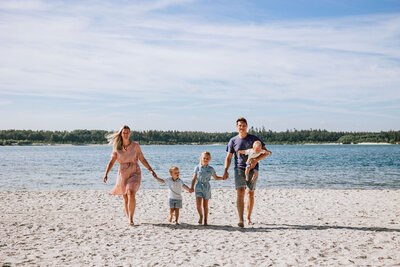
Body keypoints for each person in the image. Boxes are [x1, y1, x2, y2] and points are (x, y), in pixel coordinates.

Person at [103, 125, 157, 226]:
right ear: (121, 134)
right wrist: (106, 173)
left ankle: (131, 219)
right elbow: (112, 161)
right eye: (124, 132)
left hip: (135, 171)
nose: (126, 134)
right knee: (125, 197)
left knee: (131, 192)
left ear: (130, 133)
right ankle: (129, 218)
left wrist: (150, 169)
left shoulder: (135, 145)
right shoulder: (117, 147)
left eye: (127, 132)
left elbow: (142, 158)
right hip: (123, 173)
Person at [223, 118, 271, 227]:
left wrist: (255, 160)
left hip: (252, 169)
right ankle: (241, 219)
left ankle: (248, 218)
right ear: (237, 127)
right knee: (240, 192)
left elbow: (265, 152)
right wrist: (225, 170)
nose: (241, 127)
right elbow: (229, 157)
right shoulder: (233, 141)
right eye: (240, 125)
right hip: (239, 168)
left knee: (250, 193)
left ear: (247, 126)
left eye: (243, 125)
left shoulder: (254, 139)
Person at [190, 151, 225, 226]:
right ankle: (201, 216)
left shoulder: (211, 169)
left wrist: (223, 178)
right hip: (198, 186)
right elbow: (194, 178)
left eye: (207, 158)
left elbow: (216, 178)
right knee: (198, 205)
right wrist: (191, 187)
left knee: (205, 205)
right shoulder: (197, 167)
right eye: (204, 158)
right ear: (201, 158)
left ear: (210, 159)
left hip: (206, 187)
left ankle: (205, 220)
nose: (205, 159)